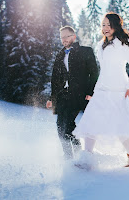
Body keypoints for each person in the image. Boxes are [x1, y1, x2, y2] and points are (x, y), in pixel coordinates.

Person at [73, 13, 129, 167]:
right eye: (103, 25)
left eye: (108, 25)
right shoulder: (101, 45)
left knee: (121, 125)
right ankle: (87, 159)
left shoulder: (124, 44)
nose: (104, 28)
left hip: (119, 90)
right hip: (101, 90)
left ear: (115, 26)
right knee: (92, 120)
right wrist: (93, 89)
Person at [46, 26, 99, 159]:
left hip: (80, 94)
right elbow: (55, 79)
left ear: (73, 37)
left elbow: (94, 73)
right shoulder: (59, 55)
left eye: (66, 36)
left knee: (68, 122)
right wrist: (52, 98)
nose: (64, 40)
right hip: (64, 94)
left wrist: (91, 91)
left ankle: (76, 153)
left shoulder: (85, 51)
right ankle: (68, 155)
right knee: (60, 126)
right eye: (61, 37)